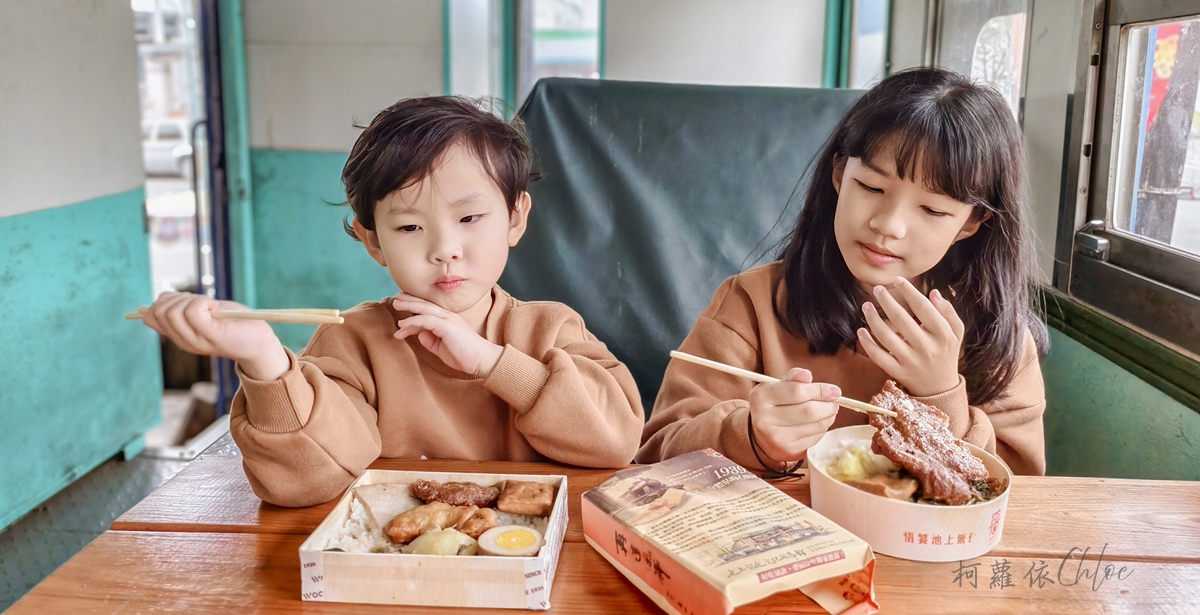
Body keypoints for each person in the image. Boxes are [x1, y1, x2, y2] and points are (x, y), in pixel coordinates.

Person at [141, 96, 645, 507]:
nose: (445, 248)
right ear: (373, 241)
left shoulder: (552, 329)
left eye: (469, 218)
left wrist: (491, 362)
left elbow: (617, 442)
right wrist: (264, 359)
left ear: (515, 218)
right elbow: (306, 482)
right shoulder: (352, 342)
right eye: (408, 227)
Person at [637, 68, 1048, 477]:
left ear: (971, 223)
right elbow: (657, 448)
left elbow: (1023, 487)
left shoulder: (999, 332)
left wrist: (940, 395)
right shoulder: (753, 302)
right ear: (839, 175)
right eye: (871, 187)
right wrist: (751, 437)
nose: (888, 225)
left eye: (932, 209)